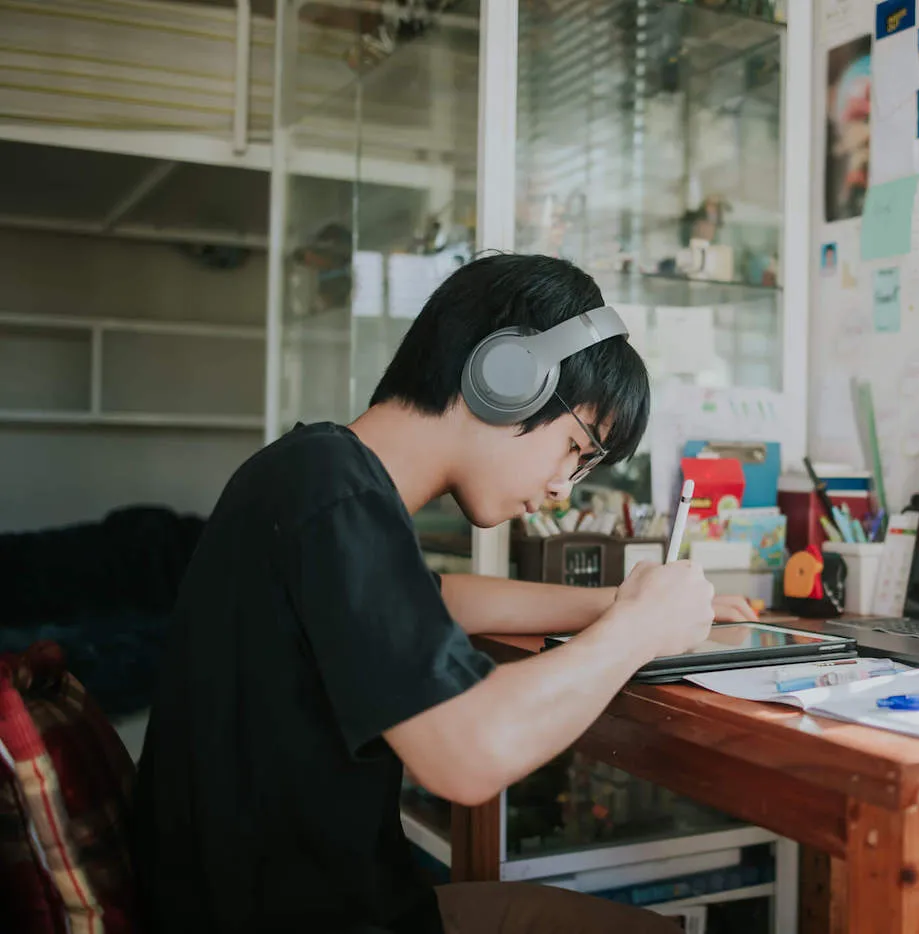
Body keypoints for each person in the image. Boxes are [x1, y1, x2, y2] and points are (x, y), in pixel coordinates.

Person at [132, 252, 759, 934]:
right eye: (577, 449)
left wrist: (616, 603)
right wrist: (635, 633)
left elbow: (439, 599)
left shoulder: (316, 473)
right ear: (507, 377)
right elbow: (468, 756)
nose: (561, 487)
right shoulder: (334, 493)